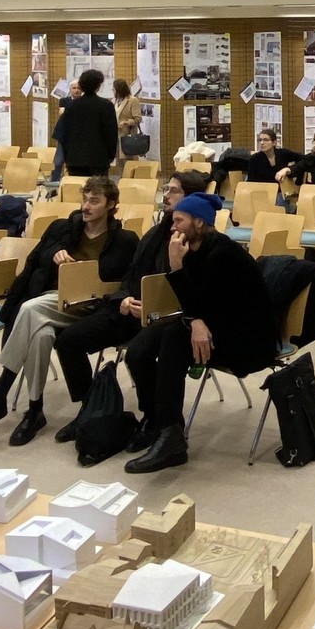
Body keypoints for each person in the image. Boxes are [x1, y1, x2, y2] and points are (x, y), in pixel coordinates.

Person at [0, 175, 139, 445]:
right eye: (85, 200)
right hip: (55, 299)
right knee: (39, 334)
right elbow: (34, 262)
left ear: (111, 205)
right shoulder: (63, 229)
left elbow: (127, 279)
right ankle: (34, 410)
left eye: (94, 201)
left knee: (29, 310)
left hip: (94, 306)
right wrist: (55, 254)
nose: (86, 207)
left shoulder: (124, 240)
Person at [122, 191, 276, 473]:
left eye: (179, 220)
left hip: (246, 338)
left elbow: (204, 305)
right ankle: (157, 419)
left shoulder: (224, 254)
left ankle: (171, 438)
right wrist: (192, 317)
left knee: (174, 339)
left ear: (200, 223)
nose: (173, 227)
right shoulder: (191, 248)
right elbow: (194, 306)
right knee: (138, 351)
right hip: (213, 324)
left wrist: (177, 269)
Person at [51, 169, 211, 439]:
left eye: (174, 191)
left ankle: (152, 417)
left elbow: (196, 291)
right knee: (68, 340)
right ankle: (90, 408)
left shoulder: (199, 240)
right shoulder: (155, 234)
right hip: (131, 309)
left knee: (137, 354)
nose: (166, 195)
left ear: (191, 199)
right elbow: (131, 275)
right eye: (167, 189)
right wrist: (123, 298)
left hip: (170, 316)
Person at [60, 69, 119, 177]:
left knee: (75, 187)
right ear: (98, 86)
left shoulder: (71, 106)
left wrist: (67, 156)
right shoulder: (106, 106)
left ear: (81, 85)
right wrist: (110, 156)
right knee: (98, 187)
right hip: (98, 159)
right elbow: (111, 134)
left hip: (74, 160)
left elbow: (65, 133)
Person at [49, 78, 81, 184]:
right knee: (58, 161)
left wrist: (67, 111)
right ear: (70, 89)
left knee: (75, 162)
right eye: (74, 88)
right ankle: (54, 182)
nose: (76, 90)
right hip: (64, 134)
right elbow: (62, 114)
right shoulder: (64, 100)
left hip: (78, 136)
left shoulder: (84, 101)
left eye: (78, 88)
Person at [113, 78, 143, 165]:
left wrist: (126, 122)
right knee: (119, 162)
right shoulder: (114, 100)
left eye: (114, 89)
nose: (113, 90)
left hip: (128, 135)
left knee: (129, 162)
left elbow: (138, 118)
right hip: (117, 135)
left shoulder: (132, 100)